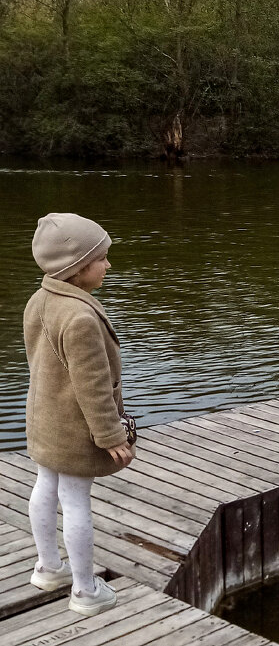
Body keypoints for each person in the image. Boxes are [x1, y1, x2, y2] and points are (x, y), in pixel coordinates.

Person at [24, 213, 134, 617]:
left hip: (43, 420)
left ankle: (48, 568)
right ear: (77, 267)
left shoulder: (39, 300)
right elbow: (93, 388)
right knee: (74, 501)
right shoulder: (81, 317)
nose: (108, 265)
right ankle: (86, 592)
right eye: (102, 258)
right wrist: (111, 437)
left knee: (45, 486)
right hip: (74, 428)